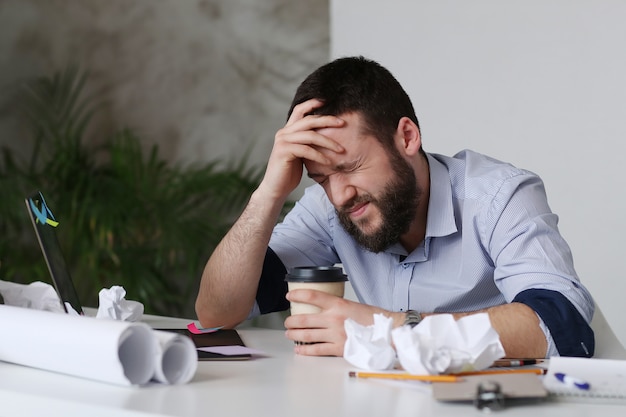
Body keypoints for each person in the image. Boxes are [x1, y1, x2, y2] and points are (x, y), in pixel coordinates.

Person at [195, 56, 595, 359]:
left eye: (350, 167)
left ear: (406, 137)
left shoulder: (497, 196)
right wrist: (268, 193)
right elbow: (217, 313)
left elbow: (563, 327)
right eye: (321, 178)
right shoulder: (329, 207)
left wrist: (387, 329)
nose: (339, 195)